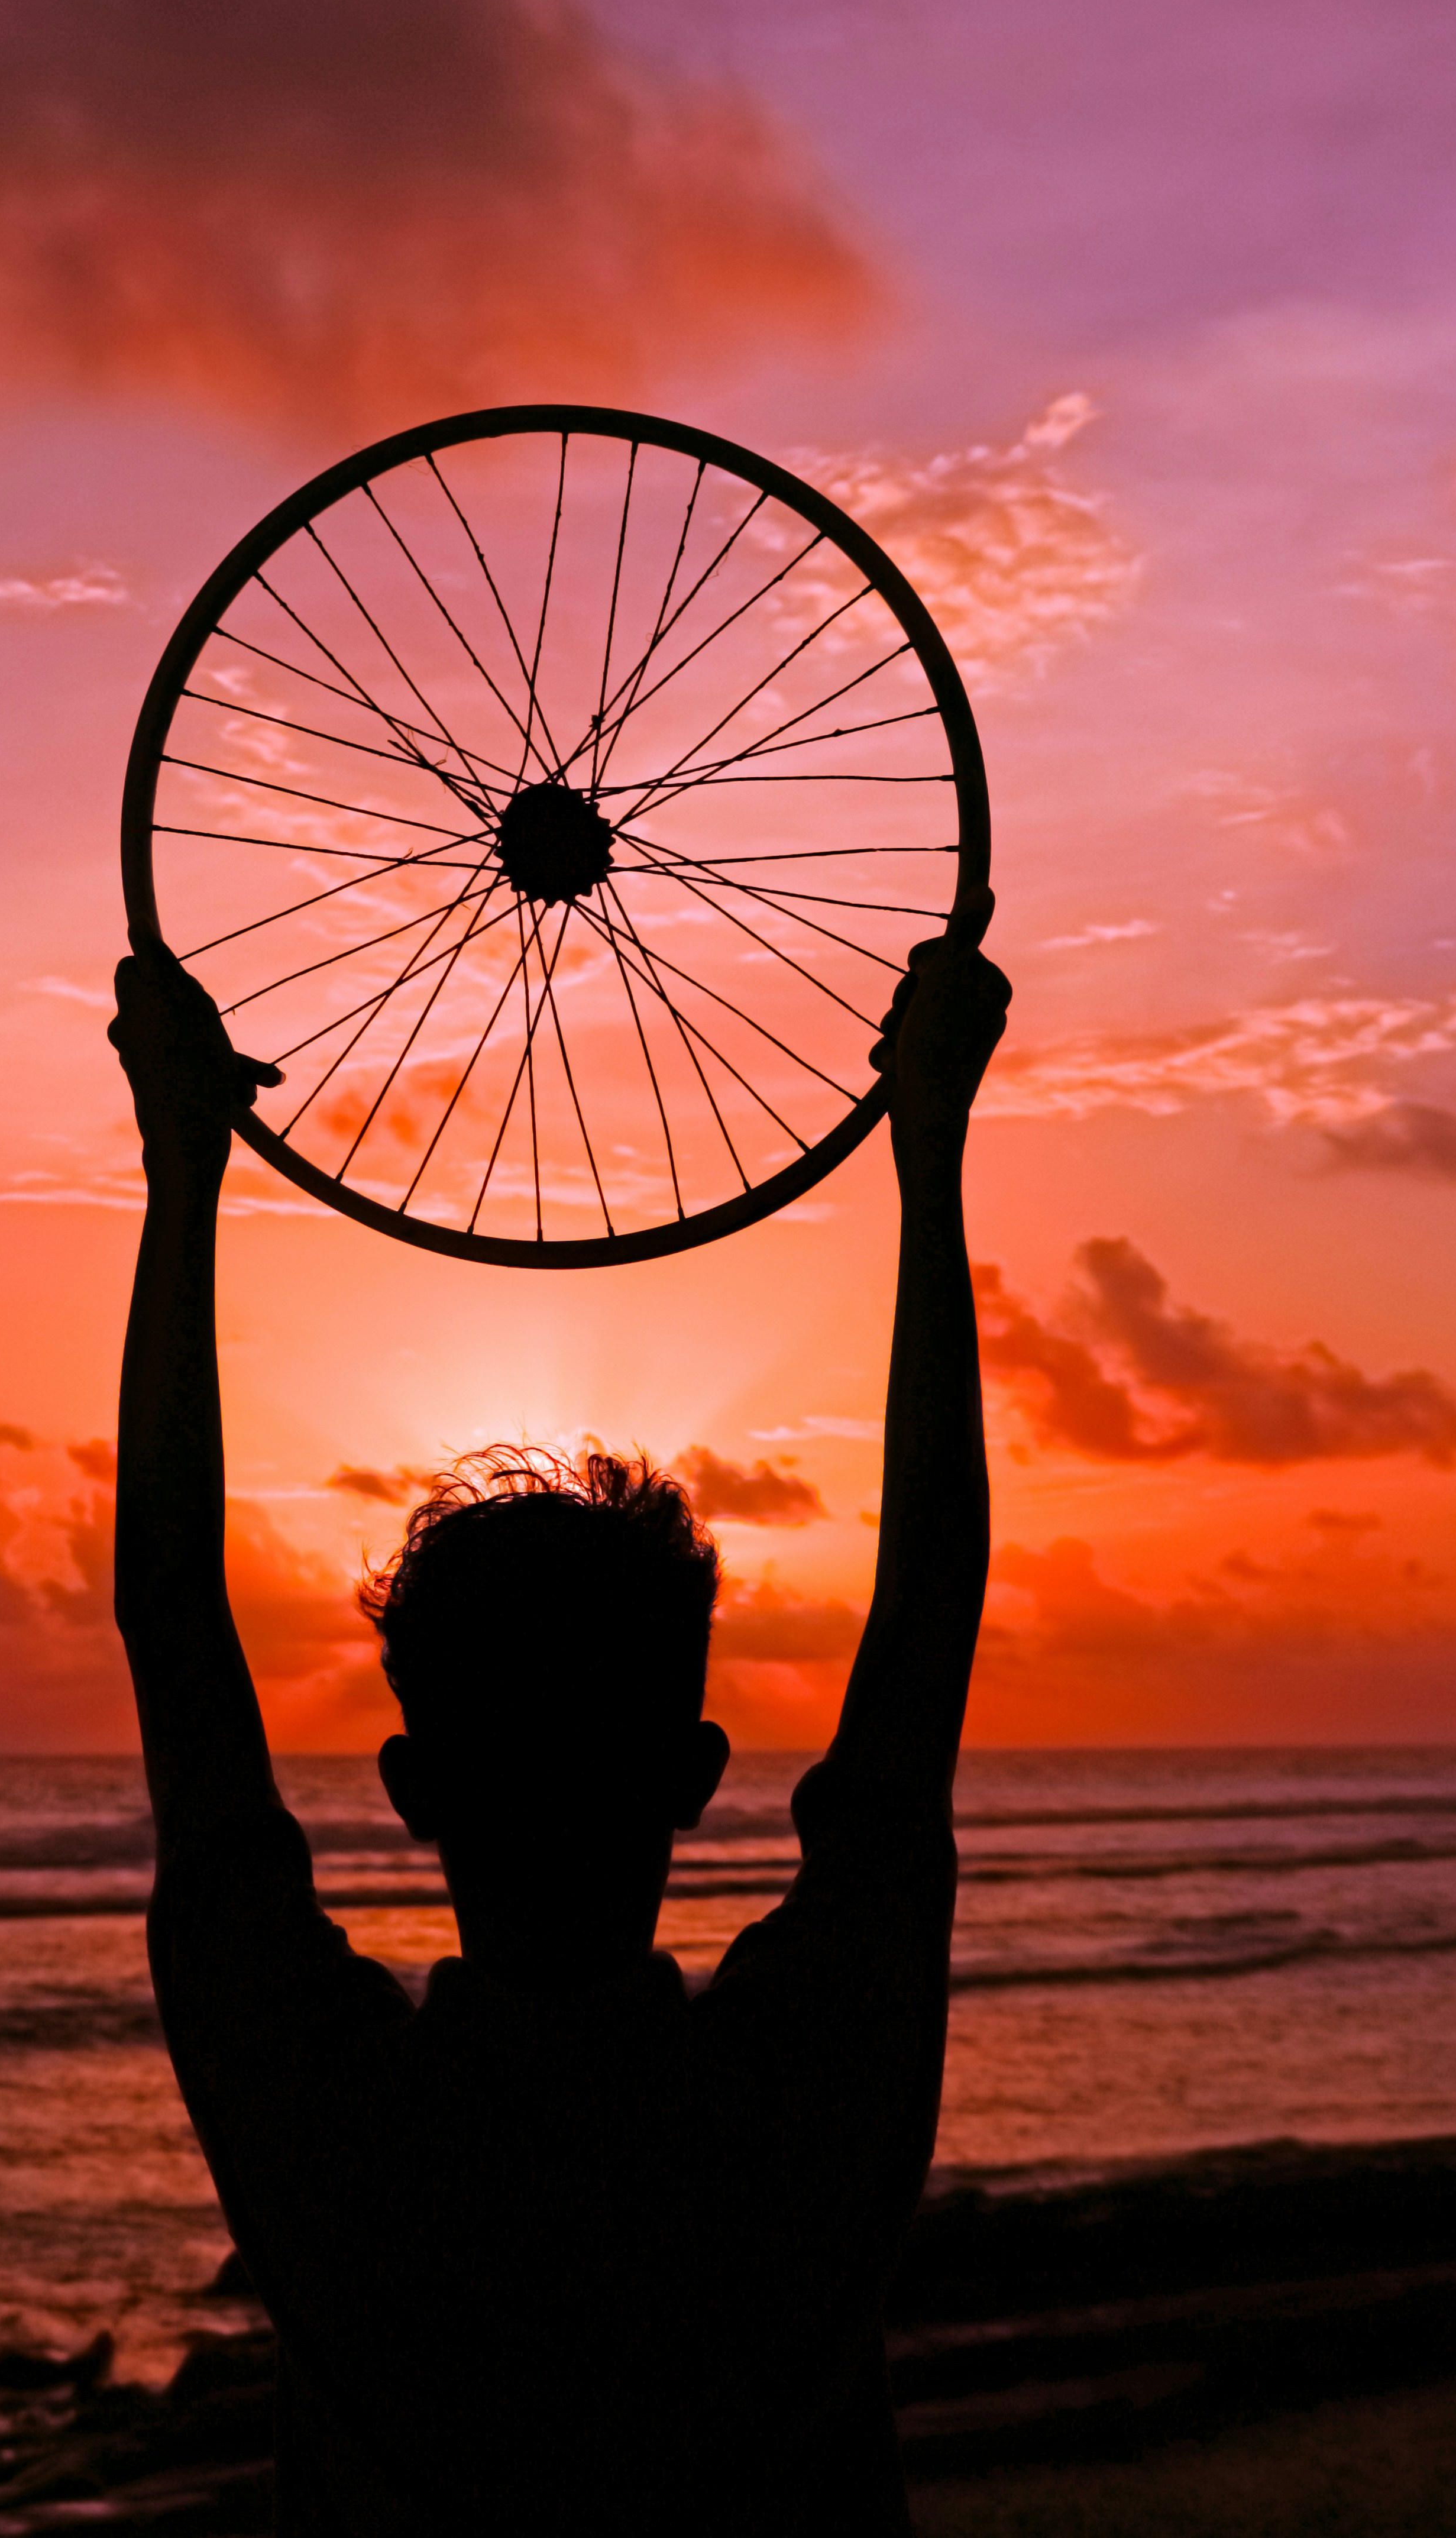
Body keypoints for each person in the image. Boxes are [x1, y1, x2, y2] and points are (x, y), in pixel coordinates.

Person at [108, 901, 1011, 2536]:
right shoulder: (796, 2092)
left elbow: (170, 1614)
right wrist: (930, 1141)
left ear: (409, 1786)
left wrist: (182, 1172)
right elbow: (932, 1597)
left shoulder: (338, 2125)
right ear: (691, 1775)